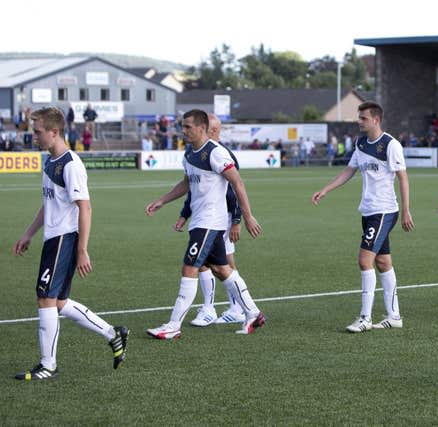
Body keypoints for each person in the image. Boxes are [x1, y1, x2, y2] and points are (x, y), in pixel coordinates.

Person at [12, 107, 128, 381]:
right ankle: (113, 333)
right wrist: (29, 233)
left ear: (54, 132)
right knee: (60, 302)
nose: (34, 136)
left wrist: (82, 249)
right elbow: (48, 204)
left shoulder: (70, 164)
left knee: (45, 298)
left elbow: (85, 208)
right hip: (52, 238)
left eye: (38, 131)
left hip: (64, 238)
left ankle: (47, 364)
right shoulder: (50, 161)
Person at [145, 109, 264, 338]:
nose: (184, 130)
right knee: (221, 269)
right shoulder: (189, 153)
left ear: (202, 127)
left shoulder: (216, 153)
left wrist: (246, 216)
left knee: (190, 267)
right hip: (200, 220)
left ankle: (173, 326)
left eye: (188, 126)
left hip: (211, 221)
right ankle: (253, 313)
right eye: (183, 126)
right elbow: (186, 183)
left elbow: (237, 184)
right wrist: (163, 201)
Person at [312, 101, 415, 333]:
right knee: (382, 261)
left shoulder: (390, 145)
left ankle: (365, 318)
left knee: (364, 260)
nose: (359, 121)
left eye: (363, 118)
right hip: (368, 211)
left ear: (376, 120)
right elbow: (350, 170)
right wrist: (326, 189)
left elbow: (403, 178)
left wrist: (406, 210)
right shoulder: (360, 143)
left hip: (384, 211)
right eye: (359, 118)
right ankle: (394, 315)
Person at [176, 113, 247, 326]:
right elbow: (194, 189)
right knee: (208, 264)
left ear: (212, 130)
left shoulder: (221, 154)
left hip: (221, 216)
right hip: (203, 216)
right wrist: (184, 214)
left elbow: (235, 189)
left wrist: (236, 220)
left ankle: (237, 308)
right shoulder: (195, 153)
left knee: (222, 264)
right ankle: (212, 308)